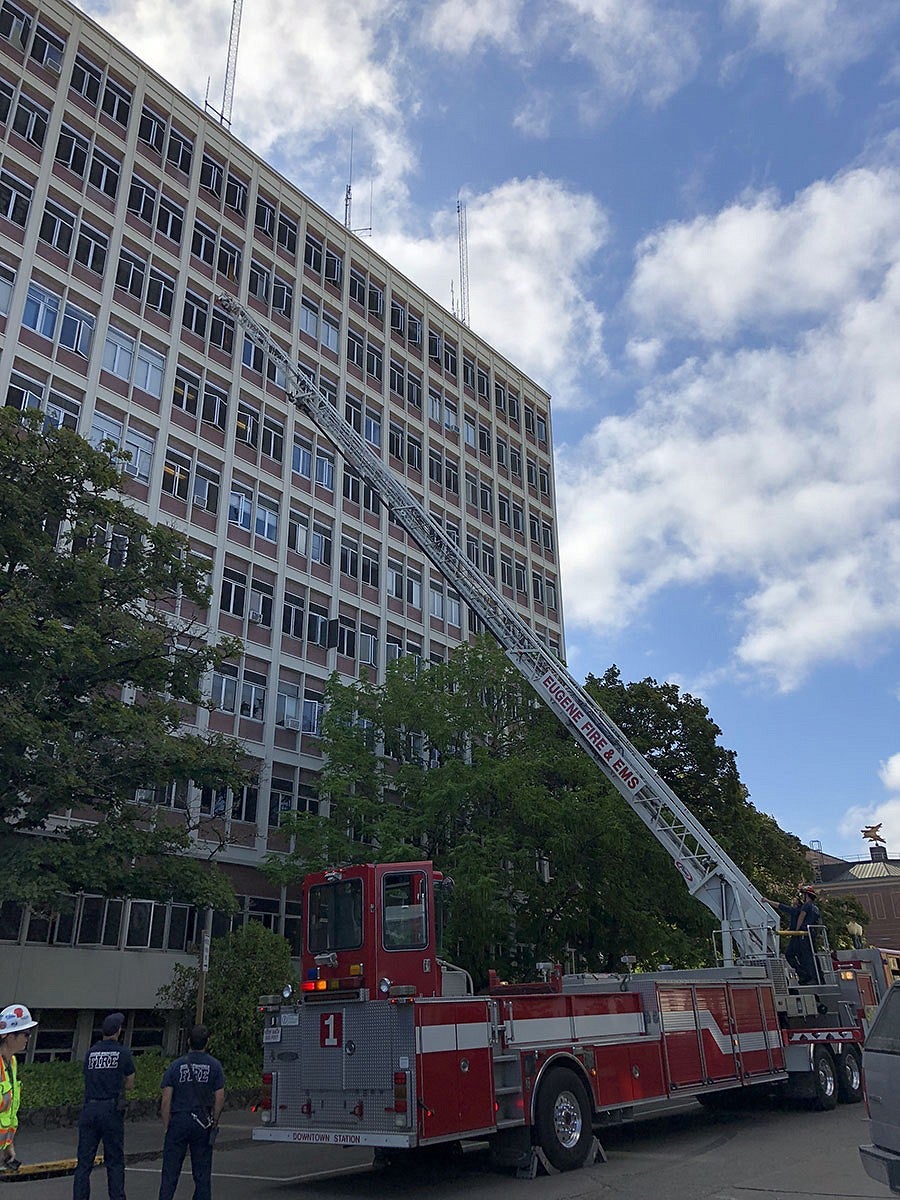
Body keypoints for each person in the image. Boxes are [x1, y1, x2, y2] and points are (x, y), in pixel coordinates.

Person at [72, 1012, 135, 1200]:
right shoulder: (122, 1052)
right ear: (118, 1031)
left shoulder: (91, 1053)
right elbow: (130, 1082)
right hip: (111, 1109)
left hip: (90, 1108)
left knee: (84, 1162)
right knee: (115, 1160)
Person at [158, 1025, 225, 1200]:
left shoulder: (175, 1066)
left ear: (188, 1042)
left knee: (170, 1174)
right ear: (207, 1042)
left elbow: (166, 1099)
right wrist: (215, 1122)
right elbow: (219, 1097)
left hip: (179, 1120)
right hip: (202, 1122)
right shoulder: (214, 1066)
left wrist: (167, 1125)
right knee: (202, 1174)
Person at [0, 1004, 38, 1171]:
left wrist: (8, 1145)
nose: (28, 1038)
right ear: (9, 1036)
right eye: (25, 1034)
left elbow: (9, 1112)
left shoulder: (12, 1063)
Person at [769, 885, 821, 985]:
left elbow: (800, 916)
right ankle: (815, 977)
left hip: (802, 935)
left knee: (798, 955)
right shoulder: (815, 908)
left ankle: (806, 975)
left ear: (806, 895)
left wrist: (796, 930)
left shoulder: (805, 906)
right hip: (810, 935)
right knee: (809, 956)